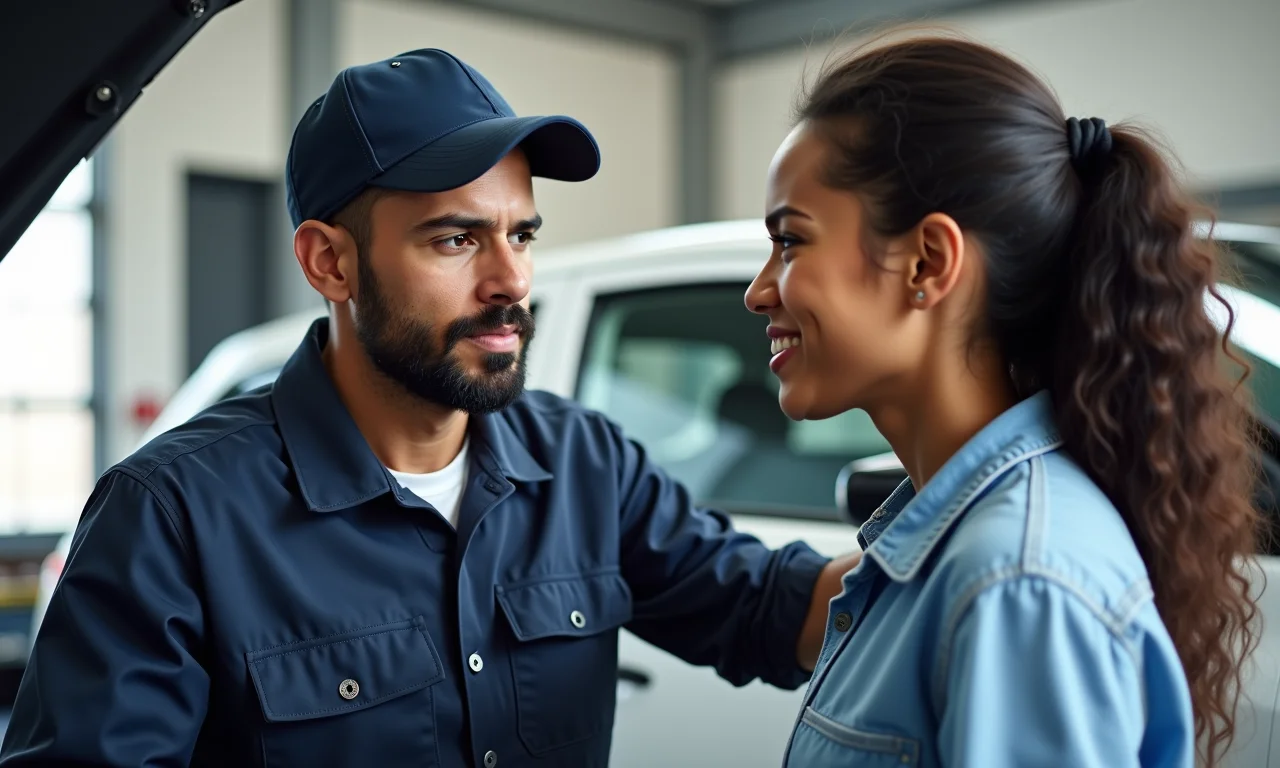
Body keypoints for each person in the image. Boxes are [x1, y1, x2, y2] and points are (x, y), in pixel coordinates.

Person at [0, 48, 856, 767]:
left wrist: (971, 506)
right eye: (456, 238)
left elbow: (777, 610)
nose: (512, 281)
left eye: (521, 234)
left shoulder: (586, 464)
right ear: (329, 264)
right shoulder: (172, 517)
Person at [745, 30, 1262, 768]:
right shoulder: (971, 554)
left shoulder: (1015, 583)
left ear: (928, 261)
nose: (759, 290)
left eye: (790, 242)